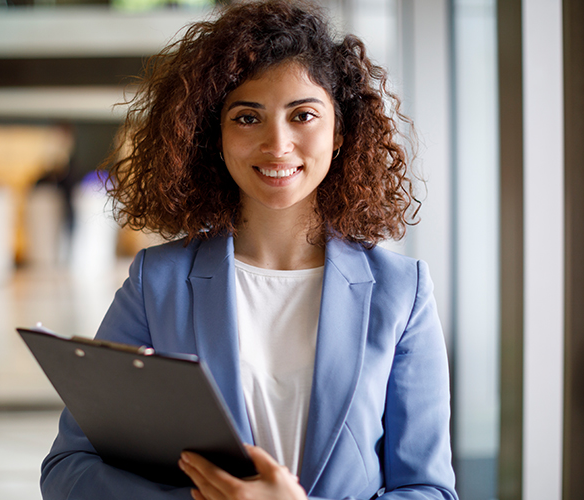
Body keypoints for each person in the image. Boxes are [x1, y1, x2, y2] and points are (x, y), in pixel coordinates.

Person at [41, 1, 457, 499]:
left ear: (340, 130)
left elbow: (429, 490)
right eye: (246, 118)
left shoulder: (401, 292)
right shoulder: (158, 282)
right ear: (213, 136)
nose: (277, 144)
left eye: (303, 115)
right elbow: (68, 471)